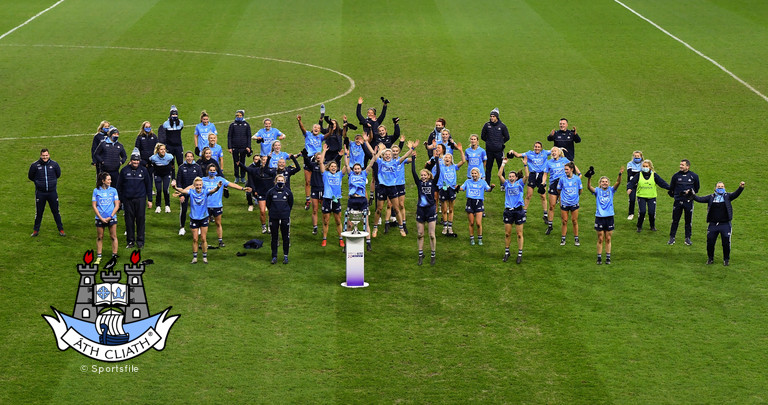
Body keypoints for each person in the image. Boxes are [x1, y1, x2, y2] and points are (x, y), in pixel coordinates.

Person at [690, 181, 745, 266]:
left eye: (722, 187)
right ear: (715, 188)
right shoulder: (711, 197)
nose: (720, 188)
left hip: (725, 224)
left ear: (724, 188)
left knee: (726, 242)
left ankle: (726, 260)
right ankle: (710, 259)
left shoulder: (728, 196)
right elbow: (700, 199)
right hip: (713, 225)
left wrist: (741, 187)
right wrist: (692, 195)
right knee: (710, 242)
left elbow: (736, 194)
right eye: (718, 187)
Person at [172, 176, 221, 264]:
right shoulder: (191, 192)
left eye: (200, 185)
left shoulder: (205, 192)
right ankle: (195, 258)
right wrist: (175, 188)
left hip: (204, 218)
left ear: (202, 185)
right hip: (194, 218)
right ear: (194, 185)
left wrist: (217, 187)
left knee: (203, 238)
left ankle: (204, 257)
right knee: (195, 239)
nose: (198, 186)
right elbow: (183, 190)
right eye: (197, 185)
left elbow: (213, 191)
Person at [371, 143, 414, 238]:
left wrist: (412, 148)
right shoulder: (381, 162)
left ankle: (401, 227)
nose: (387, 155)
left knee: (396, 208)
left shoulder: (395, 162)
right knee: (379, 209)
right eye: (386, 154)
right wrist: (378, 150)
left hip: (392, 188)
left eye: (389, 154)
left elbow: (406, 156)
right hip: (382, 187)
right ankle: (375, 227)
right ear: (383, 155)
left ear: (391, 156)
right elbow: (373, 157)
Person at [202, 163, 250, 248]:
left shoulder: (220, 180)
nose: (212, 172)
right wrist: (181, 191)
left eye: (214, 170)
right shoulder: (203, 180)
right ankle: (203, 240)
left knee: (218, 223)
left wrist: (242, 188)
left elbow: (232, 184)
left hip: (217, 205)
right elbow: (193, 186)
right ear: (207, 171)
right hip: (206, 205)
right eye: (211, 170)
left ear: (216, 171)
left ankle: (220, 240)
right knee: (205, 224)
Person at [586, 166, 624, 264]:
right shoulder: (597, 191)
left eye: (606, 181)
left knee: (608, 238)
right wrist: (589, 178)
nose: (604, 183)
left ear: (608, 183)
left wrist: (620, 174)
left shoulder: (611, 190)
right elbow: (589, 188)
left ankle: (608, 257)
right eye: (602, 181)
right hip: (599, 217)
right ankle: (599, 258)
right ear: (600, 183)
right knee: (600, 238)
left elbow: (618, 183)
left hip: (609, 216)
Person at [508, 142, 551, 223]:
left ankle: (545, 215)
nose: (537, 148)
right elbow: (518, 155)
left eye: (538, 147)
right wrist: (512, 151)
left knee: (543, 195)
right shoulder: (529, 153)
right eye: (535, 147)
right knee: (528, 195)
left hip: (542, 176)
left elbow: (554, 151)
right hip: (532, 175)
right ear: (533, 147)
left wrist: (560, 149)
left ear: (541, 148)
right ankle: (523, 213)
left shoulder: (545, 153)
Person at [411, 148, 440, 265]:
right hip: (421, 210)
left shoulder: (433, 183)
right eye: (421, 175)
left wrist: (437, 160)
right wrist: (413, 159)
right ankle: (420, 254)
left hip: (431, 209)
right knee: (420, 234)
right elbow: (413, 172)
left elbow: (438, 173)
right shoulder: (419, 183)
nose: (422, 176)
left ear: (428, 175)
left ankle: (433, 254)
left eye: (424, 175)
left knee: (432, 235)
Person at [118, 152, 153, 249]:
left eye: (137, 160)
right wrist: (120, 200)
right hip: (128, 200)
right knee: (129, 221)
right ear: (131, 161)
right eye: (134, 160)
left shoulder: (144, 171)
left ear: (139, 161)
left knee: (141, 220)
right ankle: (130, 241)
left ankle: (140, 241)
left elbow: (148, 185)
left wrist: (149, 200)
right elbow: (119, 186)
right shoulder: (124, 171)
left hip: (140, 199)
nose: (136, 162)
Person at [28, 148, 65, 237]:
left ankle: (61, 229)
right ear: (40, 156)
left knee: (56, 211)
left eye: (46, 155)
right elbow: (30, 176)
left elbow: (58, 174)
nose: (45, 157)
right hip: (40, 193)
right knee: (39, 213)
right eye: (43, 156)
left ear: (49, 155)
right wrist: (38, 183)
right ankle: (36, 230)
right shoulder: (35, 165)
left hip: (52, 192)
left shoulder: (54, 165)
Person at [626, 159, 669, 232]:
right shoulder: (638, 175)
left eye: (646, 166)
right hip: (641, 196)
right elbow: (632, 182)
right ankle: (639, 226)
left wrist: (670, 188)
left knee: (651, 212)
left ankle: (652, 226)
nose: (645, 168)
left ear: (650, 167)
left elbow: (662, 183)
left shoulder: (654, 175)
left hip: (651, 196)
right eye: (643, 166)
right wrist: (629, 188)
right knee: (642, 212)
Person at [499, 158, 528, 263]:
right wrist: (503, 164)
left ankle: (520, 253)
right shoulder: (506, 184)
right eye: (510, 176)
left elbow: (527, 176)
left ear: (516, 178)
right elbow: (499, 175)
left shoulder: (520, 183)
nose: (511, 178)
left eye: (513, 176)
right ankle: (507, 252)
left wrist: (525, 165)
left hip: (518, 211)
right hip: (508, 211)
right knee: (507, 233)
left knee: (519, 234)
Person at [542, 147, 577, 235]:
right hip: (553, 185)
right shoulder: (548, 162)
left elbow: (572, 166)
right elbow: (545, 174)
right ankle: (550, 226)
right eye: (552, 151)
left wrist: (577, 175)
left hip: (563, 185)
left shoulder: (564, 160)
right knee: (551, 206)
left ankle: (564, 224)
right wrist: (543, 182)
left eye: (555, 151)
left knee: (563, 206)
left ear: (559, 152)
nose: (553, 152)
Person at [432, 144, 465, 236]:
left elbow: (463, 161)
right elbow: (436, 158)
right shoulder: (441, 166)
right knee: (444, 209)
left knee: (451, 209)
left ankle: (450, 227)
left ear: (451, 160)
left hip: (451, 189)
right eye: (445, 157)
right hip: (443, 188)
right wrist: (436, 149)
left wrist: (461, 151)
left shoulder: (454, 167)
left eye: (449, 158)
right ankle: (445, 226)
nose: (447, 159)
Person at [346, 148, 374, 251]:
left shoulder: (363, 174)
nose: (357, 170)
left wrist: (376, 154)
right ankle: (348, 243)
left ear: (361, 169)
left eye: (358, 168)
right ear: (353, 170)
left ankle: (368, 242)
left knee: (365, 222)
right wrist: (346, 154)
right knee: (350, 223)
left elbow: (371, 164)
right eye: (355, 168)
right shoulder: (350, 175)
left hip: (362, 200)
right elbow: (346, 165)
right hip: (352, 200)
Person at [667, 159, 700, 245]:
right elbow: (671, 188)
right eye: (680, 164)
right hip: (678, 201)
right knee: (675, 220)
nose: (680, 166)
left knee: (688, 221)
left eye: (682, 165)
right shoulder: (676, 176)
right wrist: (676, 196)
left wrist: (689, 192)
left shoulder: (694, 176)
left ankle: (687, 238)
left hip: (688, 202)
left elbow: (696, 188)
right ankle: (672, 238)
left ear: (687, 166)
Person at [318, 144, 345, 247]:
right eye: (331, 166)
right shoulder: (325, 174)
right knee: (326, 221)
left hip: (336, 199)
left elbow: (347, 167)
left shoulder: (339, 174)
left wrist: (346, 154)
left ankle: (341, 238)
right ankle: (324, 238)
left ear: (336, 168)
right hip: (327, 199)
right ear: (328, 168)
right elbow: (321, 162)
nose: (333, 168)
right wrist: (324, 150)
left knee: (338, 220)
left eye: (335, 166)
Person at [92, 172, 120, 264]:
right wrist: (100, 217)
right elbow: (94, 206)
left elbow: (117, 205)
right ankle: (99, 256)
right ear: (103, 181)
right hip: (100, 218)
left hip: (111, 217)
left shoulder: (113, 190)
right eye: (108, 179)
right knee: (100, 236)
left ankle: (114, 255)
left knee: (113, 236)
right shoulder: (96, 191)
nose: (110, 181)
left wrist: (111, 216)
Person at [265, 174, 294, 264]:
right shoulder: (270, 192)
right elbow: (268, 204)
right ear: (275, 181)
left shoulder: (288, 192)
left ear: (285, 181)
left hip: (285, 217)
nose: (280, 182)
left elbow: (290, 204)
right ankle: (274, 256)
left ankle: (285, 256)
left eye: (282, 180)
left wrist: (285, 212)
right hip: (274, 217)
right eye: (278, 180)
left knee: (285, 237)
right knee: (274, 237)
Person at [460, 167, 492, 245]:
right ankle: (472, 238)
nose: (474, 175)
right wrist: (457, 187)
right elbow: (462, 188)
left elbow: (488, 189)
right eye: (472, 173)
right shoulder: (468, 181)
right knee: (471, 222)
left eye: (475, 173)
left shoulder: (483, 182)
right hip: (470, 202)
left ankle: (480, 238)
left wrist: (492, 187)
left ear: (478, 174)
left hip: (479, 203)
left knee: (478, 223)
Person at [297, 114, 324, 209]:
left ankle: (320, 198)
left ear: (320, 130)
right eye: (315, 127)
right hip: (308, 159)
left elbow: (328, 135)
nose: (316, 129)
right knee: (308, 181)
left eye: (318, 127)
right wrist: (299, 121)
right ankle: (308, 199)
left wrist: (332, 128)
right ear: (312, 129)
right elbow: (302, 128)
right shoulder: (308, 134)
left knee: (319, 180)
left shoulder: (321, 137)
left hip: (317, 159)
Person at [176, 151, 204, 236]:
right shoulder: (181, 168)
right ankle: (182, 227)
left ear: (193, 158)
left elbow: (200, 180)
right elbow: (179, 182)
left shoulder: (197, 167)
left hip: (196, 192)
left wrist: (199, 192)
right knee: (183, 210)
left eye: (190, 156)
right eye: (187, 156)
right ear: (185, 158)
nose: (189, 158)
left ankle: (198, 227)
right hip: (184, 192)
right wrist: (181, 195)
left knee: (196, 210)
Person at [480, 108, 510, 185]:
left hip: (499, 151)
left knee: (501, 168)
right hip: (489, 151)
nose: (492, 118)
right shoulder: (487, 125)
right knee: (488, 168)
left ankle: (503, 185)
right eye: (491, 116)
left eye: (493, 116)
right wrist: (489, 142)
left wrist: (500, 143)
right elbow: (482, 136)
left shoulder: (502, 126)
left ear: (497, 117)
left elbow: (507, 137)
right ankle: (487, 184)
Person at [556, 162, 583, 246]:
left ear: (572, 169)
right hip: (564, 203)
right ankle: (563, 238)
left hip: (574, 203)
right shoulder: (562, 179)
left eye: (567, 169)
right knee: (564, 221)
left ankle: (576, 238)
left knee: (574, 221)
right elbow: (559, 189)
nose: (565, 171)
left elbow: (580, 190)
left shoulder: (577, 179)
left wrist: (575, 197)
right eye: (565, 169)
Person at [246, 155, 274, 231]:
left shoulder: (272, 170)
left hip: (270, 193)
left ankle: (270, 226)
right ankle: (263, 226)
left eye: (266, 160)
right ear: (261, 161)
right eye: (263, 160)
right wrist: (254, 190)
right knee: (262, 211)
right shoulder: (257, 170)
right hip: (261, 193)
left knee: (271, 211)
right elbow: (252, 180)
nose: (264, 161)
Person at [227, 109, 252, 184]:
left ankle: (243, 177)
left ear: (243, 116)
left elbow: (249, 136)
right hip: (235, 147)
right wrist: (230, 147)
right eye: (237, 115)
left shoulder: (246, 125)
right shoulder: (232, 125)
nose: (239, 117)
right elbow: (229, 136)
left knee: (242, 162)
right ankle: (237, 177)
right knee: (235, 162)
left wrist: (248, 146)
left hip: (243, 147)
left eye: (240, 115)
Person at [149, 143, 175, 213]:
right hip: (158, 175)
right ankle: (158, 206)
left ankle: (167, 205)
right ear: (158, 150)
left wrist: (173, 178)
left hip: (166, 175)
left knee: (165, 189)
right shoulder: (153, 158)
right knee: (159, 190)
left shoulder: (170, 157)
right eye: (161, 149)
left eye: (164, 149)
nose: (163, 151)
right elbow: (150, 165)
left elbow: (173, 167)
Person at [625, 151, 643, 220]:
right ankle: (631, 213)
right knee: (632, 199)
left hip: (640, 184)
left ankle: (641, 213)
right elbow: (630, 174)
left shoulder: (643, 164)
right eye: (635, 156)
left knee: (641, 199)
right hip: (632, 184)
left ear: (641, 157)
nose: (636, 157)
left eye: (638, 156)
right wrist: (633, 181)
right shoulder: (630, 163)